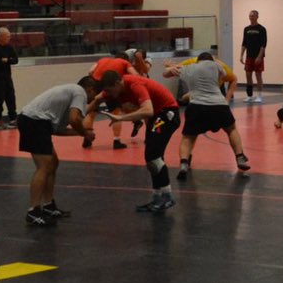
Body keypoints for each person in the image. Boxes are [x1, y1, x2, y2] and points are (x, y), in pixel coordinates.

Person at [17, 77, 97, 226]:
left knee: (53, 163)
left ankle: (48, 206)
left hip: (36, 122)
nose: (88, 101)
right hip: (34, 121)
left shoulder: (68, 97)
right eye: (92, 96)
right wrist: (85, 133)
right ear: (90, 89)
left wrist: (82, 132)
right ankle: (33, 211)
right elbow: (74, 119)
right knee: (44, 166)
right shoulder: (80, 92)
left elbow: (58, 130)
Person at [101, 68, 183, 214]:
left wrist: (120, 118)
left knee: (153, 155)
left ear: (117, 83)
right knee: (151, 157)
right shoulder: (119, 88)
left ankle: (167, 195)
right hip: (157, 116)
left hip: (167, 113)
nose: (111, 94)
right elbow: (96, 100)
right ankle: (158, 197)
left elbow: (148, 110)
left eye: (110, 90)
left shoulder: (134, 84)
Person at [173, 50, 251, 178]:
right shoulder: (218, 65)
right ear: (211, 60)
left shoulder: (189, 66)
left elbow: (168, 73)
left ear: (198, 60)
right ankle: (240, 156)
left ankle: (183, 163)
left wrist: (171, 67)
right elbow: (229, 78)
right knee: (231, 129)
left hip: (196, 105)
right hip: (218, 104)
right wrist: (227, 99)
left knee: (188, 136)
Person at [83, 53, 139, 149]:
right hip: (110, 85)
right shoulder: (124, 62)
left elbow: (90, 71)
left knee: (91, 113)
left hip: (96, 83)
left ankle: (87, 138)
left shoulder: (103, 59)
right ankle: (116, 141)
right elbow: (135, 75)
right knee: (116, 112)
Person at [0, 26, 20, 127]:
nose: (9, 38)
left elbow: (15, 60)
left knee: (11, 96)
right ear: (0, 37)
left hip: (7, 75)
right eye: (7, 36)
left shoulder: (10, 47)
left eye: (9, 36)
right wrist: (6, 60)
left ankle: (13, 118)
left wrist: (6, 60)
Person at [240, 10, 268, 99]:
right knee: (248, 75)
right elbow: (244, 43)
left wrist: (259, 56)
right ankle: (249, 95)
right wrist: (241, 55)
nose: (251, 17)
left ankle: (259, 95)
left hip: (258, 56)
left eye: (253, 16)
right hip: (249, 56)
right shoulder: (246, 29)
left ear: (257, 17)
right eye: (250, 16)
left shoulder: (261, 29)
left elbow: (263, 44)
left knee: (258, 75)